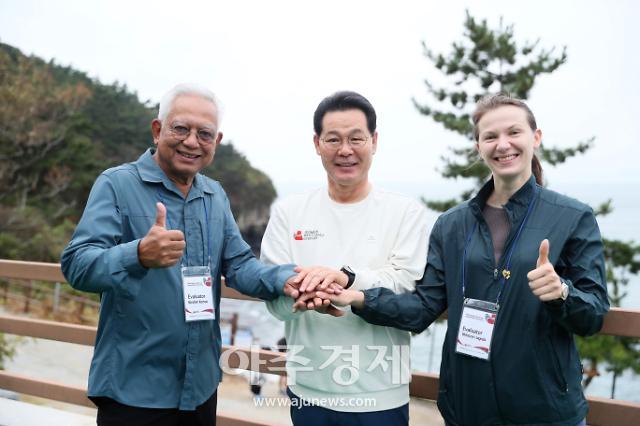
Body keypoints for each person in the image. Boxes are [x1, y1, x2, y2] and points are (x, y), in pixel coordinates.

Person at [318, 94, 609, 426]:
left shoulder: (572, 217)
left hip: (544, 411)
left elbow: (594, 314)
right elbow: (422, 308)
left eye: (514, 132)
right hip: (468, 409)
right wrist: (360, 298)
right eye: (490, 136)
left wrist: (562, 293)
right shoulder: (453, 224)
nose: (503, 144)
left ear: (536, 137)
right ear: (478, 146)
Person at [60, 84, 300, 426]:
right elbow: (77, 265)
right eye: (181, 128)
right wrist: (138, 254)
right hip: (134, 388)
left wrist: (287, 278)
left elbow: (241, 266)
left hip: (199, 385)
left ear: (216, 143)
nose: (191, 141)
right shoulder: (117, 185)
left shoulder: (214, 195)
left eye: (204, 133)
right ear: (158, 130)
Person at [260, 91, 430, 425]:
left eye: (356, 138)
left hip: (381, 393)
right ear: (317, 143)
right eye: (333, 139)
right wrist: (301, 297)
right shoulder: (289, 212)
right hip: (309, 387)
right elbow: (272, 295)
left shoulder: (404, 212)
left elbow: (407, 286)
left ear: (374, 141)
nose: (345, 150)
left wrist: (346, 280)